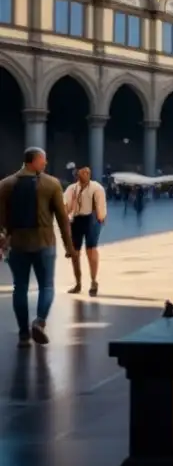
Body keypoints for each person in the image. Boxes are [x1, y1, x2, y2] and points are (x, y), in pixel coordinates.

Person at [0, 147, 74, 347]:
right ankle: (39, 321)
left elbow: (1, 219)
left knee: (20, 288)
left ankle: (23, 335)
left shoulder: (5, 185)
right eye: (43, 160)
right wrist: (70, 247)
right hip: (44, 244)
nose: (46, 163)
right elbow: (62, 219)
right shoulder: (51, 184)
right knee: (47, 286)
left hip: (17, 245)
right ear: (33, 160)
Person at [64, 165, 107, 297]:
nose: (85, 174)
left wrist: (101, 217)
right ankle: (78, 283)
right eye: (82, 172)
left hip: (92, 218)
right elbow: (66, 207)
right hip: (77, 219)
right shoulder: (72, 189)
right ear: (77, 174)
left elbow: (101, 205)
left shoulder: (96, 188)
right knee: (75, 253)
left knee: (91, 249)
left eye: (87, 172)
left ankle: (93, 281)